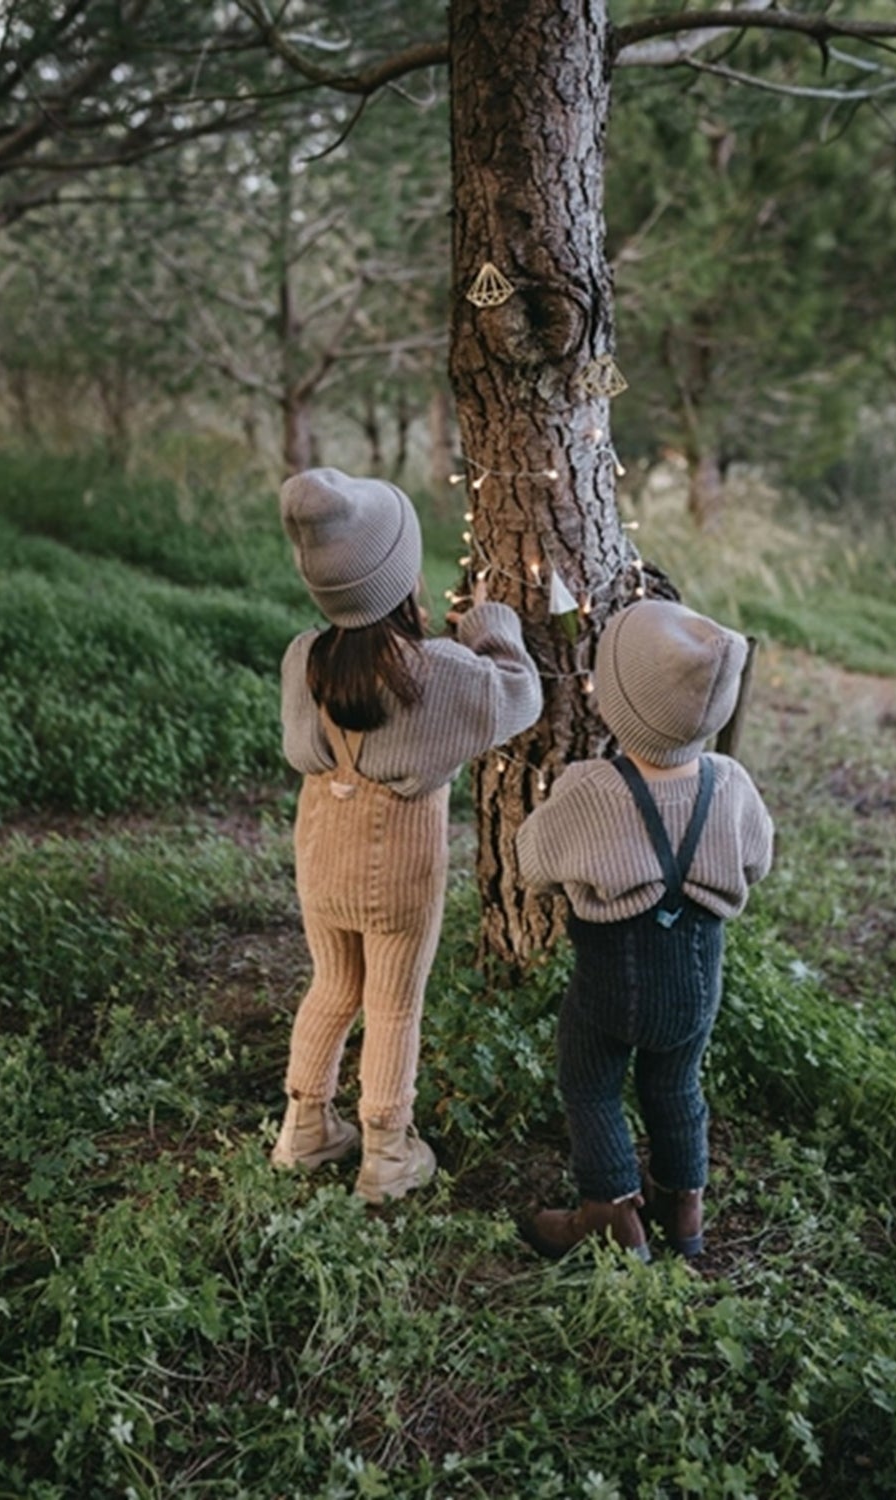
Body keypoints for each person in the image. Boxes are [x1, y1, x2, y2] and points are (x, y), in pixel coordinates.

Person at [270, 467, 542, 1204]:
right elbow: (520, 697)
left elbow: (300, 746)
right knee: (392, 1006)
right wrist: (491, 628)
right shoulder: (438, 672)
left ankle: (304, 1128)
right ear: (401, 579)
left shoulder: (303, 658)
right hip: (397, 874)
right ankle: (387, 1154)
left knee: (333, 986)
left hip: (320, 858)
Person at [514, 599, 773, 1260]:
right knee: (676, 1085)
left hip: (612, 984)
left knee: (590, 1084)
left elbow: (532, 863)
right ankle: (683, 1210)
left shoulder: (590, 789)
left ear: (617, 703)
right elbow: (758, 860)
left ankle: (610, 1213)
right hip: (697, 982)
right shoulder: (731, 784)